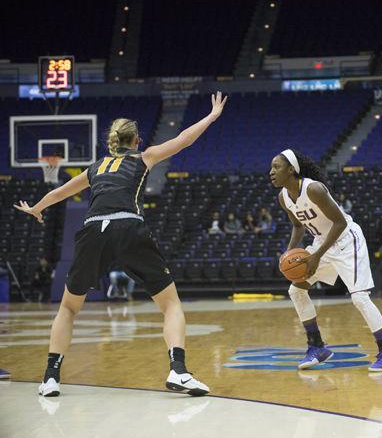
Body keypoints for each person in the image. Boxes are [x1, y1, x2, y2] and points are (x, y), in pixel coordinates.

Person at [14, 91, 227, 397]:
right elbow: (183, 139)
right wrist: (211, 116)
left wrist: (36, 207)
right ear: (137, 140)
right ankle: (178, 371)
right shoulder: (144, 157)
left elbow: (60, 191)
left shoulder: (96, 167)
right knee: (170, 304)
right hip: (128, 225)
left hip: (93, 230)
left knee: (68, 307)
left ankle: (50, 378)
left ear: (112, 142)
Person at [270, 149, 382, 372]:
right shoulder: (283, 197)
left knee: (359, 298)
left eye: (276, 167)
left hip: (347, 240)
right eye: (271, 168)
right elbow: (298, 226)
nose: (271, 172)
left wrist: (316, 257)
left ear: (291, 169)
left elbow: (340, 223)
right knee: (296, 291)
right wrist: (288, 253)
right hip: (322, 242)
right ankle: (317, 346)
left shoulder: (313, 189)